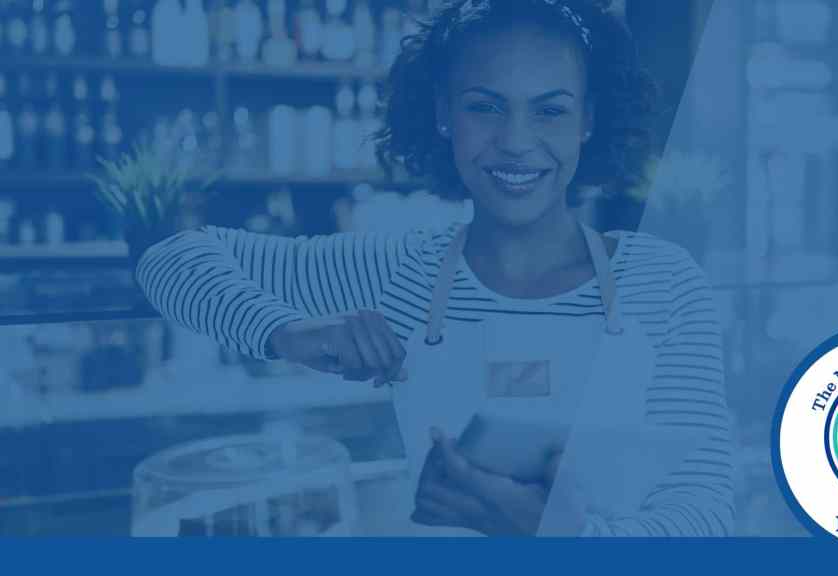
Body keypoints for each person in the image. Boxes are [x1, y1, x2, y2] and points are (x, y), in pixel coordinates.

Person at [136, 0, 733, 537]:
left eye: (550, 110)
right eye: (485, 107)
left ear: (588, 121)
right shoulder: (398, 269)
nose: (516, 141)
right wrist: (286, 331)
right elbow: (170, 259)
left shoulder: (663, 282)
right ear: (445, 114)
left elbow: (705, 513)